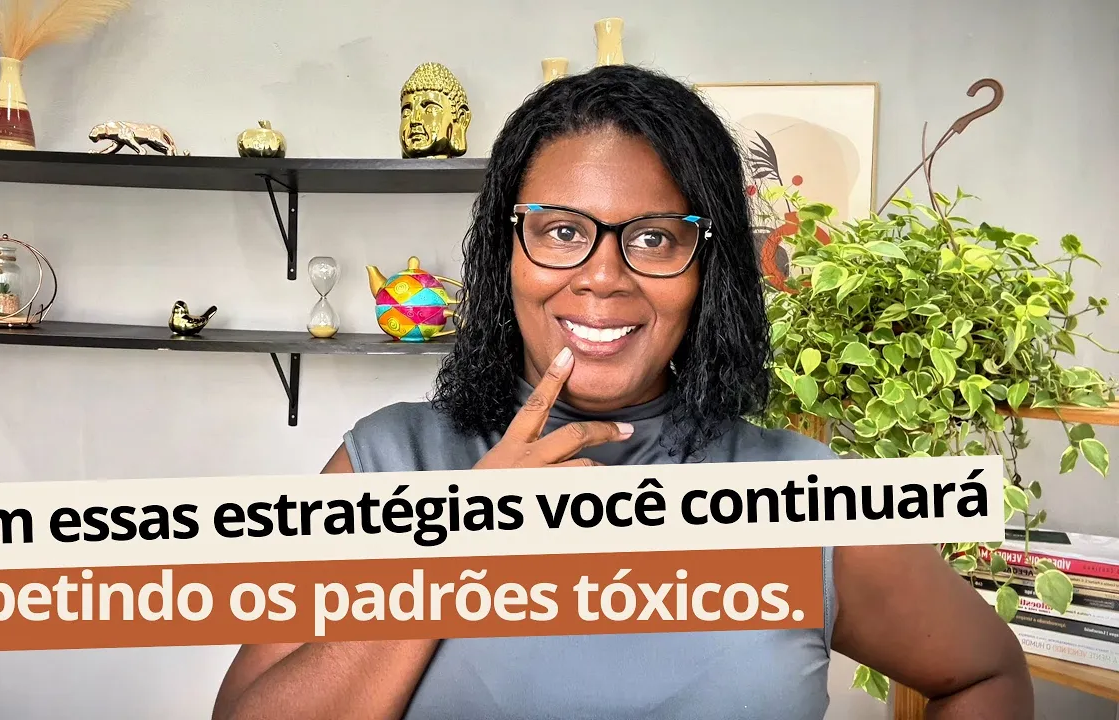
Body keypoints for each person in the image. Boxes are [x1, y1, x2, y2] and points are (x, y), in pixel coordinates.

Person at [211, 64, 1032, 720]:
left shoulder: (808, 496)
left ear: (707, 270)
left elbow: (984, 673)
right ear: (507, 251)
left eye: (654, 238)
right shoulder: (387, 462)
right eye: (563, 230)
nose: (603, 277)